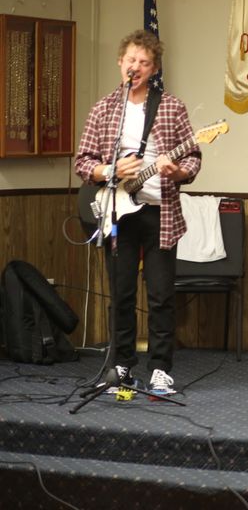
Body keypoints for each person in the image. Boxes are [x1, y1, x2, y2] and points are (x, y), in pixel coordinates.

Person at [75, 29, 201, 396]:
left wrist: (177, 172)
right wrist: (109, 171)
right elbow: (83, 162)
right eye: (131, 60)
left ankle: (160, 368)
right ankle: (121, 365)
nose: (136, 67)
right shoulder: (103, 109)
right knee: (122, 294)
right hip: (117, 212)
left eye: (144, 62)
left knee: (161, 295)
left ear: (154, 69)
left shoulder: (172, 107)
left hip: (160, 211)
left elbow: (193, 157)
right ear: (120, 62)